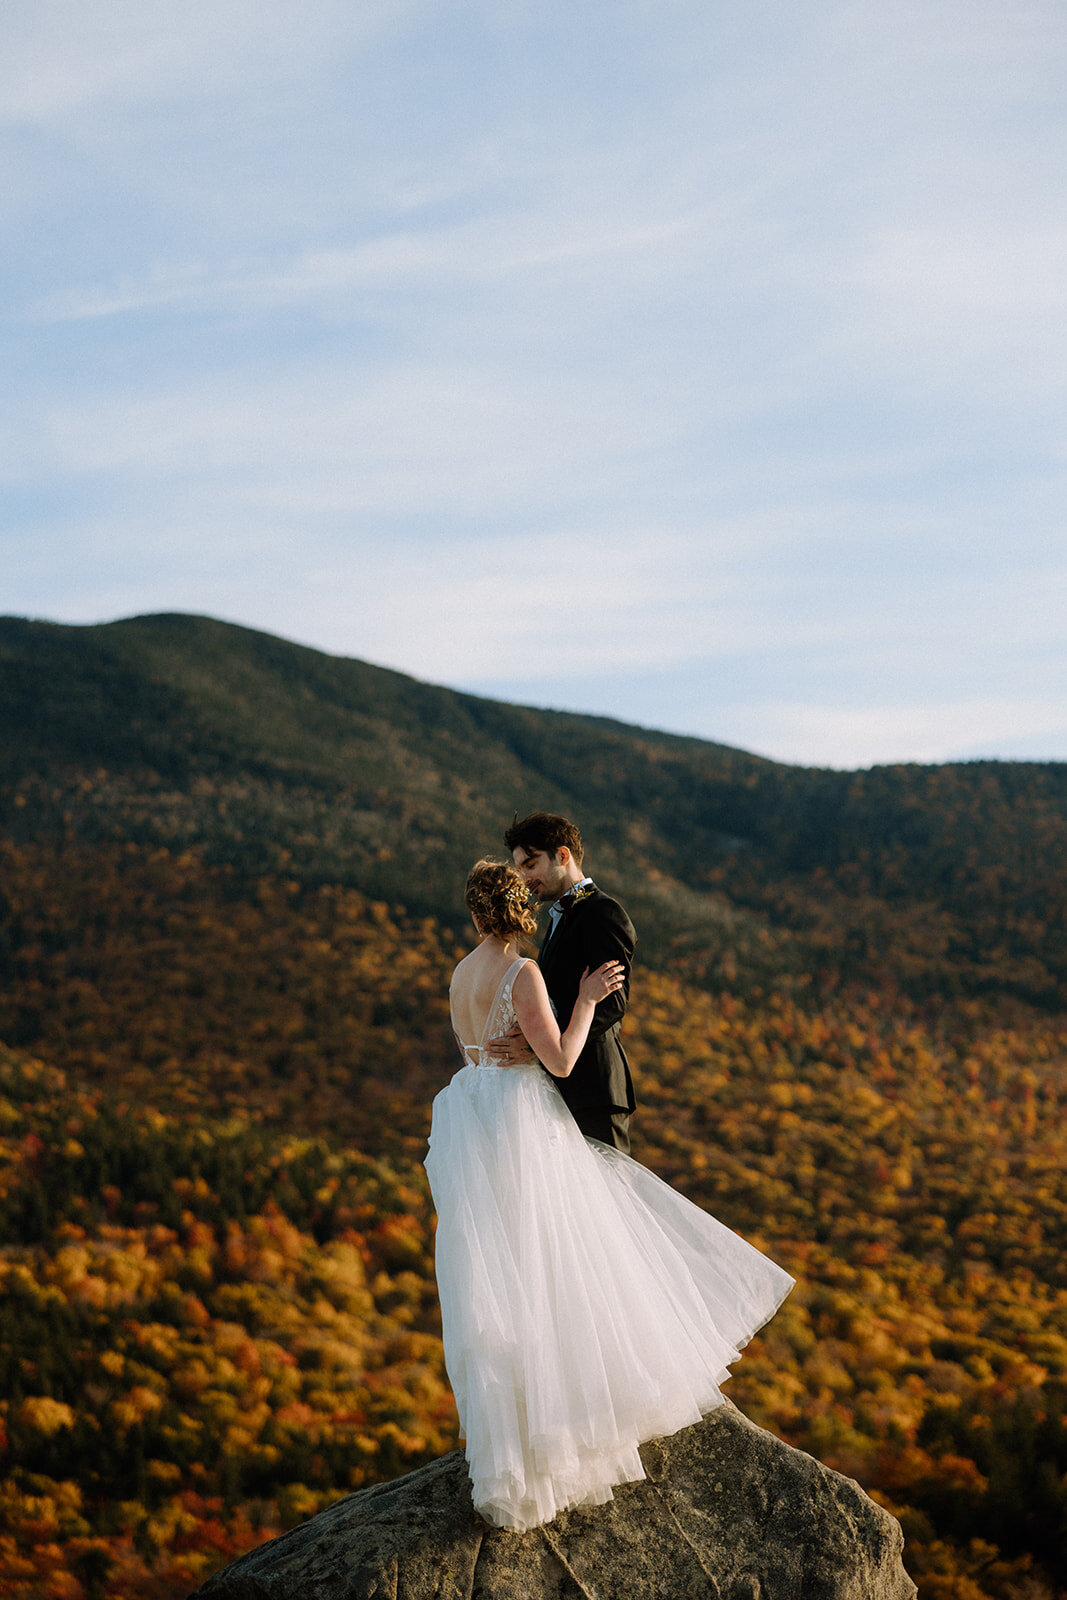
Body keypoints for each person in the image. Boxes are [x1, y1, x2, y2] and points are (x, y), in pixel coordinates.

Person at [424, 858, 795, 1533]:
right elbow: (562, 1060)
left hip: (474, 1115)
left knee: (504, 1274)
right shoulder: (523, 972)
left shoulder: (460, 974)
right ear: (519, 913)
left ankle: (520, 1437)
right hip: (519, 1121)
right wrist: (588, 1000)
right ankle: (573, 1416)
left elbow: (477, 1049)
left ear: (477, 915)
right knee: (558, 1259)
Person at [490, 811, 637, 1152]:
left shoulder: (604, 912)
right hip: (559, 1091)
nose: (524, 878)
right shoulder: (557, 919)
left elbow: (613, 1003)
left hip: (596, 1091)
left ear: (562, 855)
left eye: (530, 864)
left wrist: (540, 1048)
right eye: (520, 868)